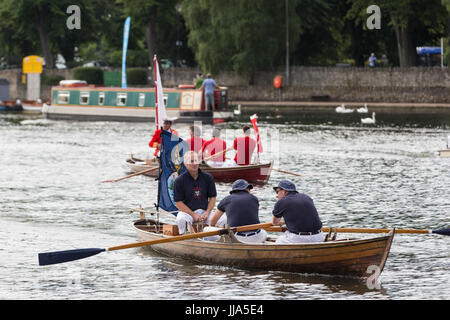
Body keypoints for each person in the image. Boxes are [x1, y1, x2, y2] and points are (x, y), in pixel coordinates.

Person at [174, 151, 226, 234]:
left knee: (223, 219)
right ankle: (187, 239)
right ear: (185, 164)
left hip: (205, 212)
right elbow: (178, 203)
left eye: (196, 161)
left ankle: (215, 240)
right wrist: (193, 215)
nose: (194, 163)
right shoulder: (179, 181)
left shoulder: (208, 177)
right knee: (181, 219)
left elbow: (213, 197)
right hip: (188, 213)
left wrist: (207, 212)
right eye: (191, 161)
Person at [208, 179, 267, 243]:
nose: (249, 190)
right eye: (249, 188)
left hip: (236, 238)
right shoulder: (254, 198)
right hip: (256, 238)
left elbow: (212, 222)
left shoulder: (227, 199)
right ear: (246, 189)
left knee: (206, 229)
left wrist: (216, 227)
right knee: (264, 232)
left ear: (234, 190)